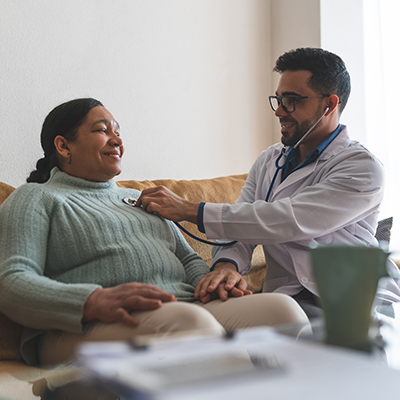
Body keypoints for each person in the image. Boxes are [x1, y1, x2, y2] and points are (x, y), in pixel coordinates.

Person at [0, 98, 308, 367]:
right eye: (102, 130)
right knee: (190, 324)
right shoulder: (36, 198)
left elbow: (188, 261)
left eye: (118, 132)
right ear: (63, 145)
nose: (116, 140)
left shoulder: (138, 197)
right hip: (79, 327)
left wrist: (210, 281)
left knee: (281, 312)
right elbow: (12, 281)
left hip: (180, 309)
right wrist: (92, 300)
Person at [137, 47, 400, 319]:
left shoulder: (362, 168)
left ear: (330, 104)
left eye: (292, 101)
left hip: (356, 299)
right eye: (278, 99)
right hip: (291, 297)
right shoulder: (269, 160)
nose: (280, 112)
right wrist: (227, 265)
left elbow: (289, 220)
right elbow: (240, 227)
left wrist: (191, 210)